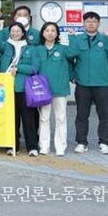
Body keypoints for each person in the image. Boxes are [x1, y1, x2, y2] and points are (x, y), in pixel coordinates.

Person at [68, 11, 108, 155]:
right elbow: (70, 56)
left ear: (98, 23)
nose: (91, 24)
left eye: (94, 21)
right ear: (83, 23)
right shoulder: (78, 39)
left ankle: (104, 142)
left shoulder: (104, 39)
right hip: (83, 84)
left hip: (102, 84)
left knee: (104, 115)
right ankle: (81, 143)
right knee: (81, 115)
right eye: (88, 21)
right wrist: (72, 76)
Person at [0, 22, 39, 156]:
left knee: (28, 119)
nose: (15, 33)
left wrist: (18, 68)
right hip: (7, 89)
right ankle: (12, 145)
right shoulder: (6, 46)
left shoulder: (31, 48)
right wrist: (0, 28)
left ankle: (32, 147)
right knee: (11, 119)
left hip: (25, 88)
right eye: (12, 31)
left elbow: (35, 68)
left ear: (23, 32)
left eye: (18, 31)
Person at [33, 22, 72, 156]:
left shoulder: (63, 49)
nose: (50, 33)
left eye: (53, 30)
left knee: (61, 118)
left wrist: (72, 37)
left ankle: (60, 147)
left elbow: (73, 58)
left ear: (57, 34)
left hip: (60, 88)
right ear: (43, 33)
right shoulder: (37, 49)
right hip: (43, 89)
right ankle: (44, 146)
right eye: (47, 30)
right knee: (44, 118)